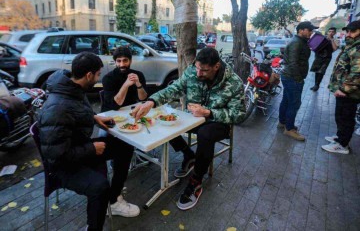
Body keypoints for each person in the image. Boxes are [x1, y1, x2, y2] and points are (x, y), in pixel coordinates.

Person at [131, 48, 245, 210]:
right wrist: (151, 102)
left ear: (216, 66)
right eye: (197, 68)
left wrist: (209, 112)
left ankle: (196, 181)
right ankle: (189, 156)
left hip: (218, 122)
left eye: (204, 70)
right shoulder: (192, 72)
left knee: (206, 134)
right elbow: (174, 89)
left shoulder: (233, 82)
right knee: (165, 120)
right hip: (192, 118)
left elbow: (238, 114)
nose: (198, 73)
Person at [38, 52, 140, 231]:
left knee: (125, 146)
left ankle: (115, 200)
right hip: (62, 165)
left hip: (77, 147)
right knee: (100, 187)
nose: (99, 78)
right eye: (98, 74)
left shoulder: (73, 89)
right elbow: (55, 155)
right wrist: (91, 149)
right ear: (89, 75)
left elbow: (76, 112)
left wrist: (95, 118)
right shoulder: (57, 108)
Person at [322, 20, 360, 154]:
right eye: (348, 31)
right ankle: (340, 137)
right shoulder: (352, 45)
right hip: (344, 90)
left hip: (349, 92)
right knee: (341, 116)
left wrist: (343, 89)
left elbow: (357, 73)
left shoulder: (358, 48)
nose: (349, 34)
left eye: (353, 31)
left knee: (346, 118)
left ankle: (342, 145)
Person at [278, 21, 318, 141]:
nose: (311, 32)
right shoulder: (296, 43)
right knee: (294, 103)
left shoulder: (301, 42)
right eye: (309, 30)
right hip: (292, 78)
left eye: (312, 30)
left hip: (290, 77)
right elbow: (293, 63)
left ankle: (283, 122)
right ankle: (289, 129)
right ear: (301, 30)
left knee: (286, 100)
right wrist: (298, 79)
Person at [101, 46, 147, 112]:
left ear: (130, 61)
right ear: (115, 62)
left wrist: (138, 84)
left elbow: (143, 98)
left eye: (125, 60)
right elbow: (115, 105)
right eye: (119, 61)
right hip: (112, 113)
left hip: (130, 110)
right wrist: (126, 85)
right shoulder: (108, 78)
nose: (122, 64)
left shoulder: (138, 75)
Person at [310, 27, 339, 91]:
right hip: (318, 56)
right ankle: (315, 84)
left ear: (335, 33)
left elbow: (335, 49)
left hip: (327, 58)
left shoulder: (336, 40)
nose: (331, 33)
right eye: (330, 31)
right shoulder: (322, 38)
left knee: (321, 71)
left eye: (332, 32)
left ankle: (317, 85)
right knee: (316, 70)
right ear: (327, 32)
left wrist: (331, 40)